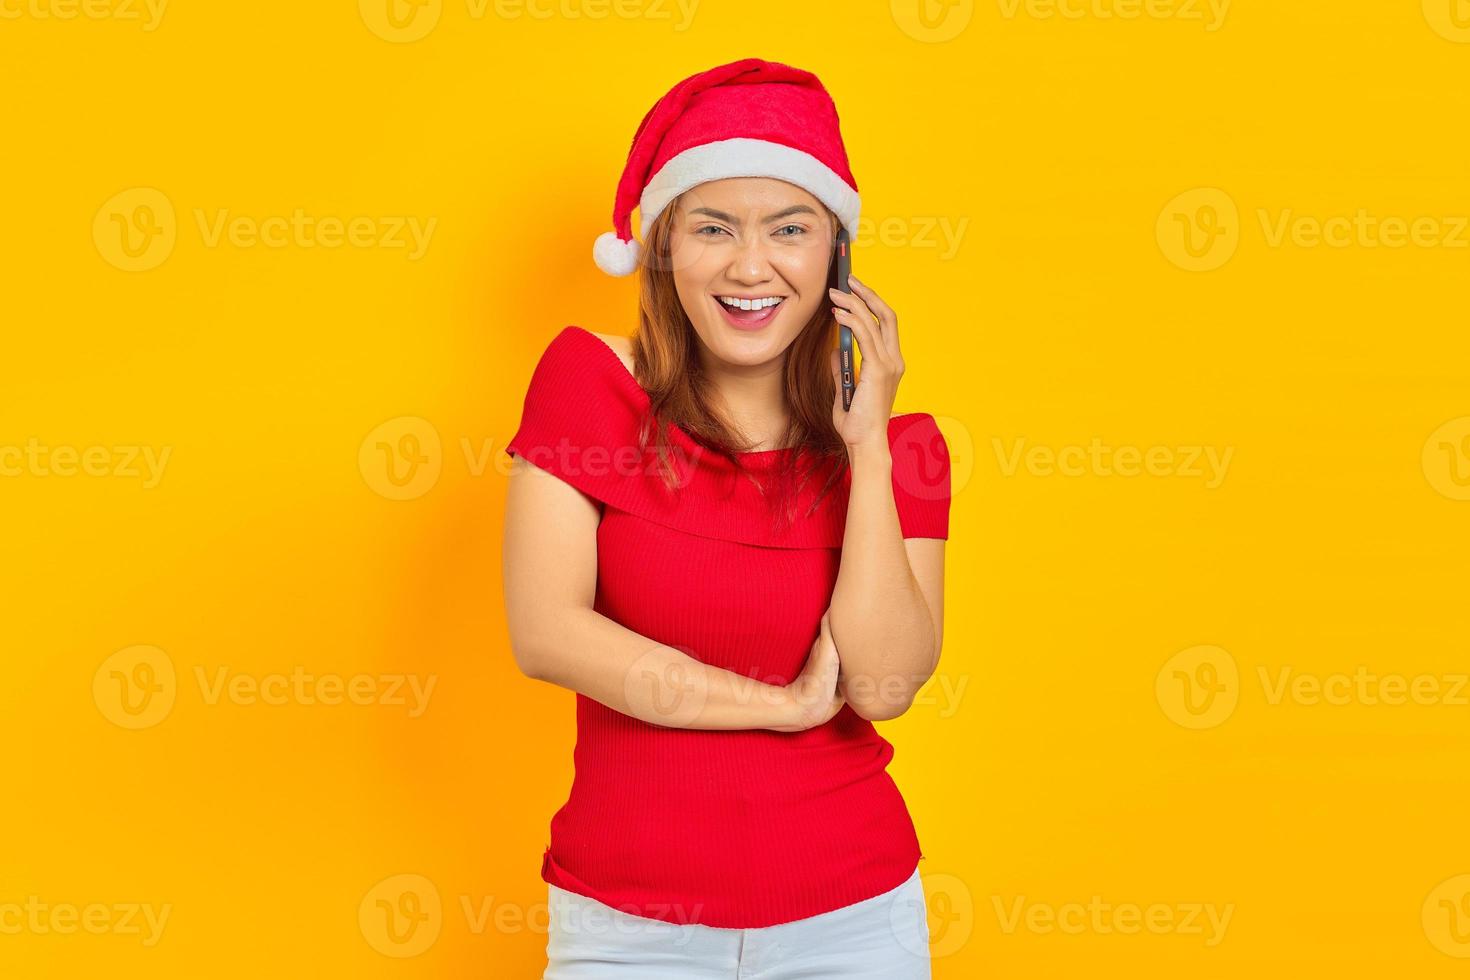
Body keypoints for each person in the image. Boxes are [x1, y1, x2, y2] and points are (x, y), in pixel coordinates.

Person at [502, 57, 952, 979]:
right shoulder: (590, 384)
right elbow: (546, 632)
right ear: (664, 247)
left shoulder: (902, 448)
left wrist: (864, 444)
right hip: (628, 926)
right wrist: (779, 708)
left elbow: (885, 686)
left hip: (854, 920)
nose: (752, 266)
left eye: (790, 228)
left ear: (835, 250)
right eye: (713, 228)